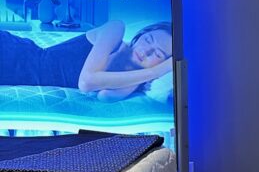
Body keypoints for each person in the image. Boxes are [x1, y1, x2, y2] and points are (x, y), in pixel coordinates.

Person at [0, 20, 173, 101]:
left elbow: (106, 97)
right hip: (14, 54)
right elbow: (86, 82)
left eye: (157, 54)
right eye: (148, 40)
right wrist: (154, 71)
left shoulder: (132, 79)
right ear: (141, 34)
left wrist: (144, 77)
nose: (146, 51)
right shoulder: (115, 29)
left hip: (12, 73)